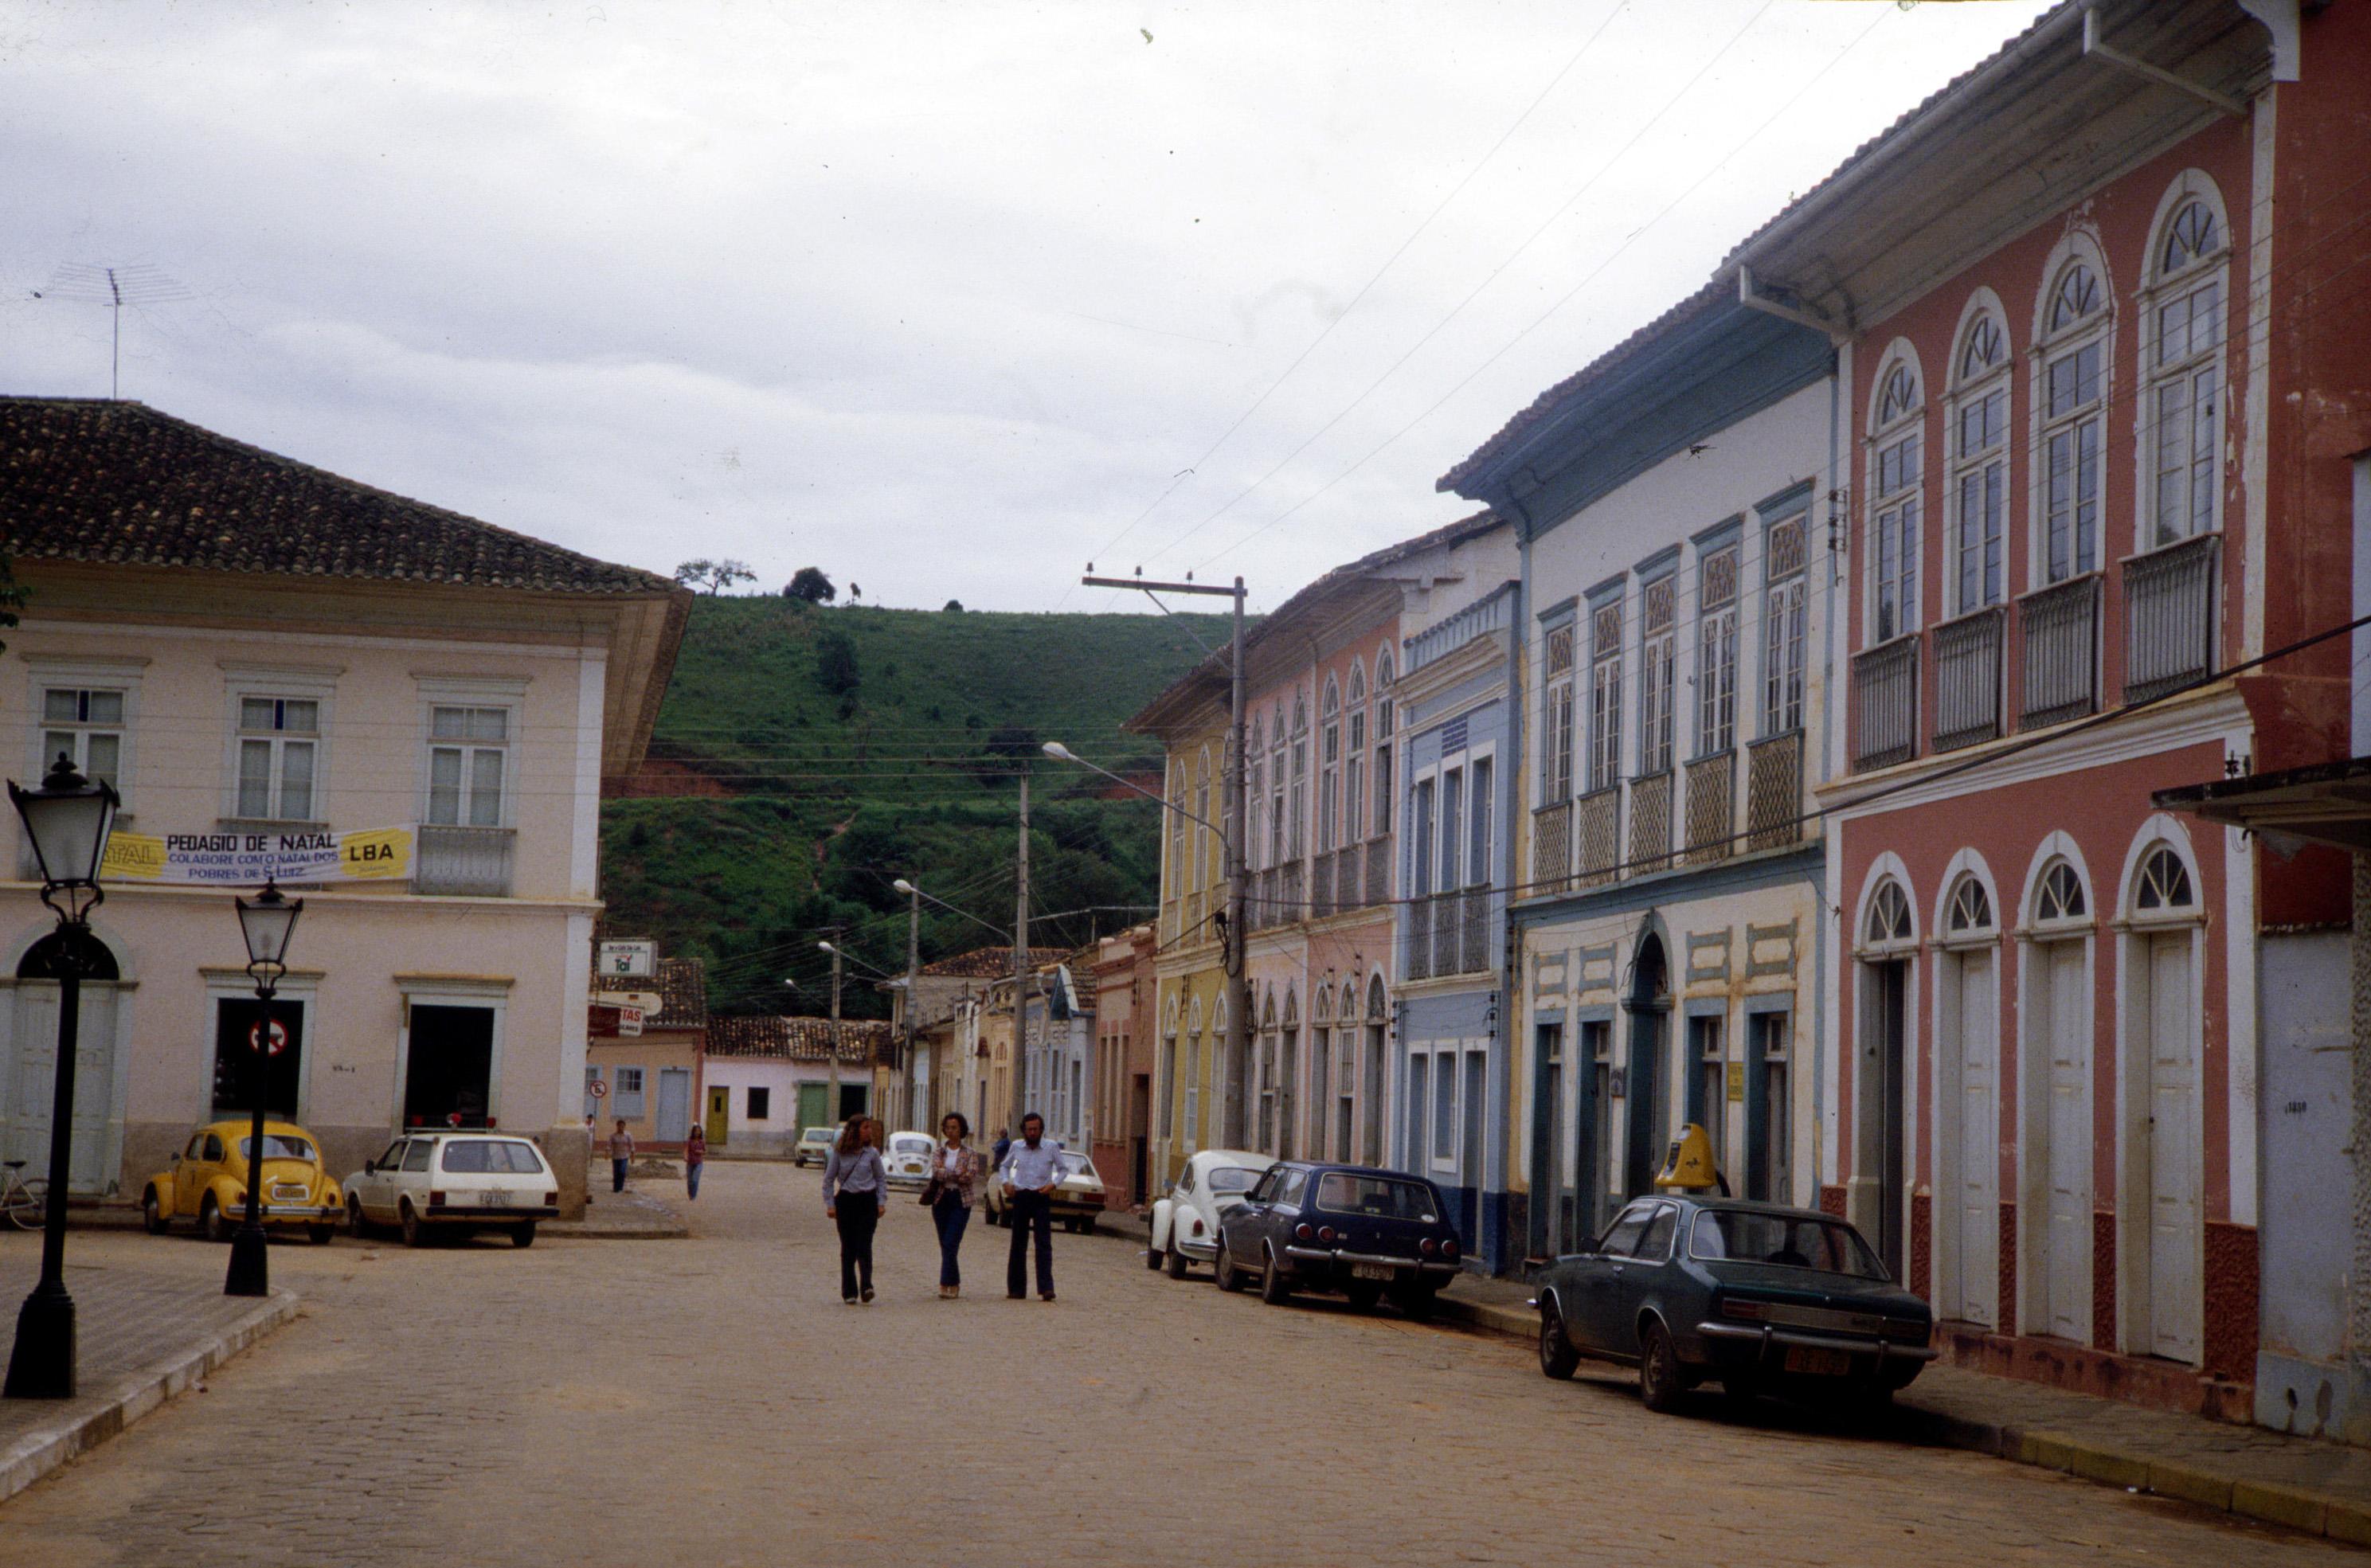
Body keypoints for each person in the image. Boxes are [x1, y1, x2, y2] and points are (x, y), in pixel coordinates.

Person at [821, 1114, 886, 1304]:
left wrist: (881, 1202)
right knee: (848, 1247)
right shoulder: (839, 1153)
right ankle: (849, 1290)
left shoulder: (872, 1154)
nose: (869, 1131)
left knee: (864, 1245)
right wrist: (830, 1205)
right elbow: (828, 1180)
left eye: (870, 1128)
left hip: (868, 1202)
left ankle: (867, 1285)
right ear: (855, 1130)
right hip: (847, 1202)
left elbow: (881, 1179)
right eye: (866, 1127)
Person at [998, 1111, 1061, 1302]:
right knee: (1018, 1243)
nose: (1032, 1133)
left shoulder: (1051, 1147)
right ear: (1024, 1131)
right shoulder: (1017, 1146)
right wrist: (1006, 1183)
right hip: (1022, 1195)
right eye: (1029, 1130)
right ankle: (1016, 1289)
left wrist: (1054, 1184)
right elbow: (1004, 1166)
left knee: (1043, 1243)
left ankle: (1046, 1288)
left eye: (1036, 1129)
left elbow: (1064, 1169)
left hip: (1041, 1196)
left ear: (1041, 1130)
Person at [927, 1112, 985, 1299]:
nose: (951, 1132)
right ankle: (954, 1282)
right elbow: (937, 1172)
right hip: (941, 1200)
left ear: (962, 1130)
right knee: (945, 1244)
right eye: (948, 1128)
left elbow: (970, 1175)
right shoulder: (939, 1152)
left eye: (955, 1128)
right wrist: (956, 1173)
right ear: (944, 1130)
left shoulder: (971, 1153)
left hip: (961, 1201)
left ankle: (946, 1283)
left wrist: (950, 1173)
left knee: (951, 1241)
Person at [608, 1119, 634, 1195]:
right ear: (617, 1126)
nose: (621, 1128)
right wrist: (606, 1153)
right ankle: (616, 1188)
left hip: (625, 1156)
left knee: (622, 1171)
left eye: (622, 1126)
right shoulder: (613, 1136)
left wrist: (633, 1157)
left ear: (624, 1127)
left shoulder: (628, 1135)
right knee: (616, 1172)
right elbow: (609, 1145)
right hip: (616, 1157)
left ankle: (621, 1187)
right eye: (619, 1126)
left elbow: (632, 1146)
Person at [684, 1124, 706, 1200]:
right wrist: (685, 1156)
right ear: (693, 1132)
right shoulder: (690, 1141)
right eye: (696, 1131)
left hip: (698, 1163)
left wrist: (700, 1152)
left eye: (699, 1131)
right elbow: (686, 1149)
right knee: (690, 1181)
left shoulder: (702, 1141)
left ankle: (693, 1196)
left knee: (695, 1179)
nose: (697, 1132)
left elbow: (704, 1151)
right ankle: (690, 1193)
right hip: (690, 1162)